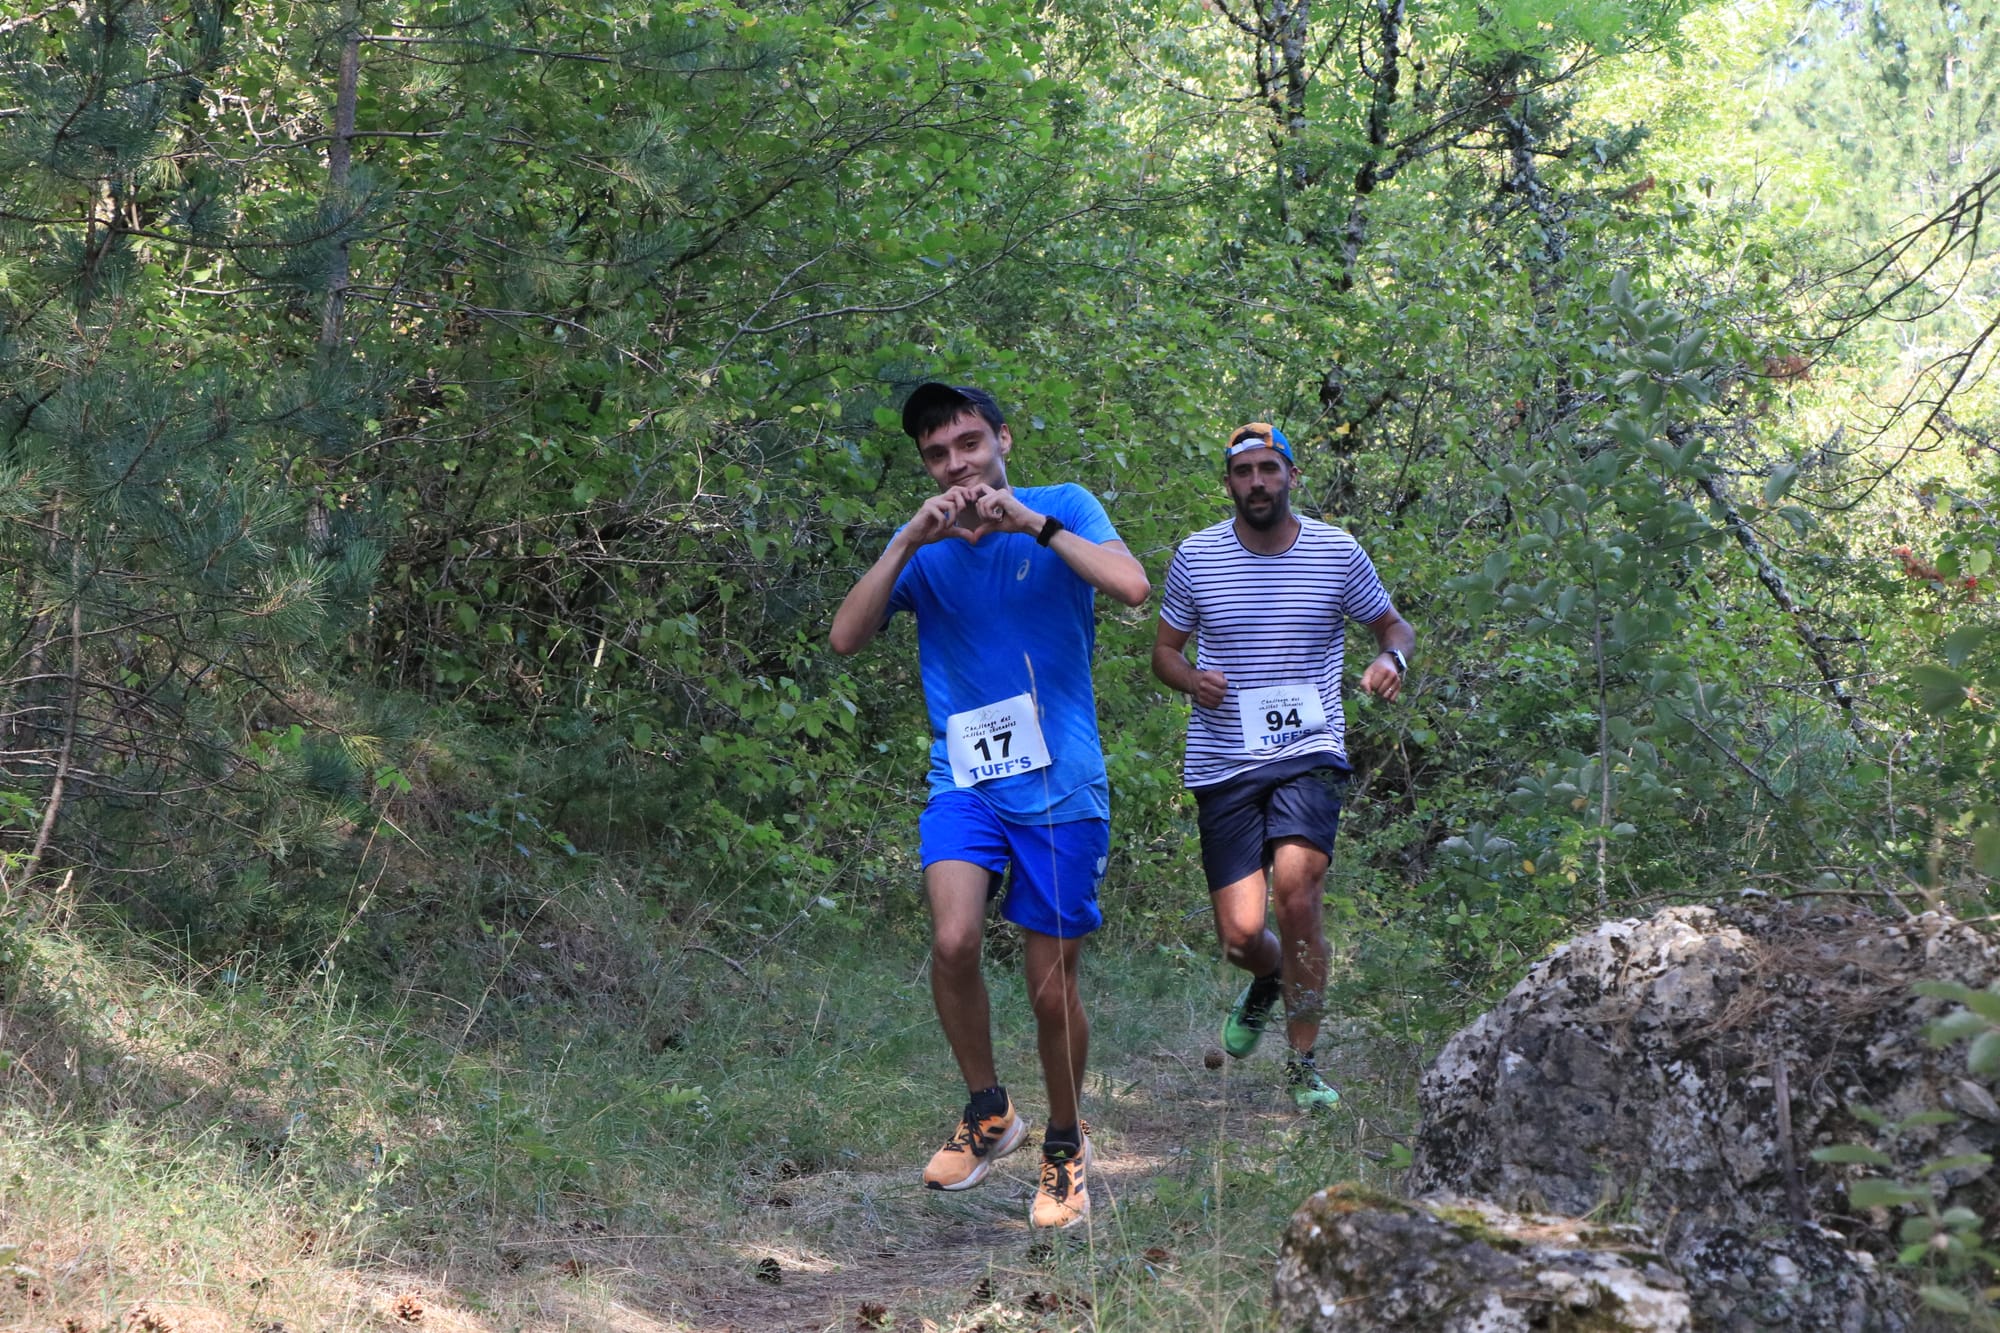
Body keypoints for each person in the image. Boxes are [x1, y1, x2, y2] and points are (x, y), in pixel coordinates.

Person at [829, 383, 1150, 1228]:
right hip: (964, 780)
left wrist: (1032, 525)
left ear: (1002, 440)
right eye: (938, 454)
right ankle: (988, 1110)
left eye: (969, 444)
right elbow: (845, 638)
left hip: (1061, 786)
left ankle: (1066, 1142)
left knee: (1051, 988)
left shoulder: (1062, 506)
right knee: (954, 936)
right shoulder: (924, 549)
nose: (957, 465)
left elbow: (1131, 586)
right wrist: (904, 540)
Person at [1150, 422, 1415, 1110]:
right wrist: (1190, 679)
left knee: (1298, 892)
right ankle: (1265, 978)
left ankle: (1303, 1065)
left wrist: (1392, 659)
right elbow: (1165, 652)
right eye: (1244, 472)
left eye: (1270, 468)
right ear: (1229, 483)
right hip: (1225, 759)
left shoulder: (1336, 550)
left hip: (1309, 749)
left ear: (1292, 474)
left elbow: (1393, 625)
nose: (1258, 482)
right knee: (1241, 935)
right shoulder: (1198, 556)